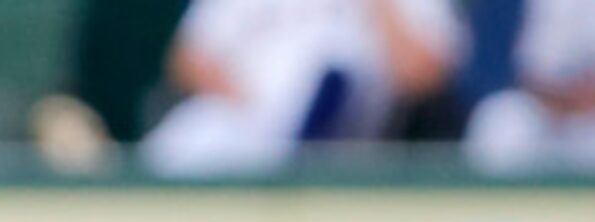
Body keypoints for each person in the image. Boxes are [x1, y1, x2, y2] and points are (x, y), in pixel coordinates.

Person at [139, 0, 464, 177]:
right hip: (247, 122)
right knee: (192, 135)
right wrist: (250, 107)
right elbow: (188, 59)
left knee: (331, 67)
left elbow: (425, 73)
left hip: (349, 135)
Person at [466, 0, 595, 173]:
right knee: (500, 121)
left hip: (589, 114)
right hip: (537, 104)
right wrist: (558, 97)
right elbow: (498, 67)